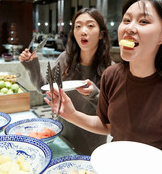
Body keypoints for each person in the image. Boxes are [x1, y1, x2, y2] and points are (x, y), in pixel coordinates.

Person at [45, 0, 162, 174]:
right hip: (115, 166)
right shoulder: (111, 75)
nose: (129, 28)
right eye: (126, 20)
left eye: (143, 22)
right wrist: (70, 114)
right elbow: (107, 125)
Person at [19, 8, 113, 155]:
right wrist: (32, 66)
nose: (83, 31)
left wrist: (95, 94)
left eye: (90, 25)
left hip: (93, 145)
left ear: (101, 34)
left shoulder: (111, 70)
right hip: (63, 138)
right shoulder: (65, 59)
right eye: (78, 26)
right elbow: (45, 88)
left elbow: (112, 114)